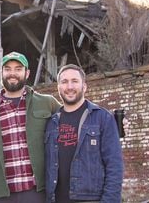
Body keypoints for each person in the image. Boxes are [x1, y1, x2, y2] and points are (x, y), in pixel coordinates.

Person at [0, 51, 61, 202]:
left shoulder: (47, 103)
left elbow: (72, 121)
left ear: (27, 73)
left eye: (18, 69)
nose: (12, 73)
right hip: (1, 195)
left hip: (37, 192)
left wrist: (113, 121)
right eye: (8, 69)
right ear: (1, 72)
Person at [44, 64, 124, 202]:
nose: (69, 87)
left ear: (84, 86)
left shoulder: (102, 118)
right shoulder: (51, 122)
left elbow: (114, 167)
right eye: (64, 82)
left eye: (75, 81)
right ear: (58, 88)